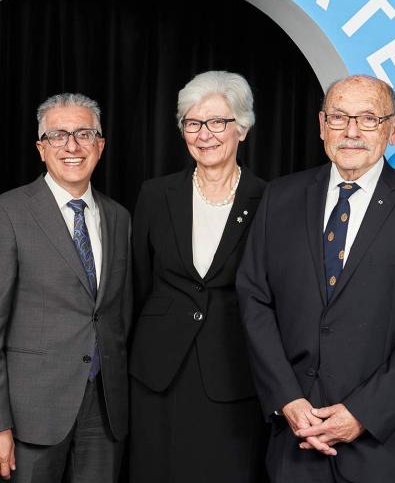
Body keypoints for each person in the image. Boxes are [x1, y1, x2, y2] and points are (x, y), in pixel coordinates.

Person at [236, 74, 395, 483]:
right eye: (339, 117)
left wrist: (362, 414)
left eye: (368, 119)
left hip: (385, 447)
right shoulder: (279, 198)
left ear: (394, 129)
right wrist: (286, 397)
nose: (352, 132)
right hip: (296, 440)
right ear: (322, 125)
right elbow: (255, 298)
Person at [0, 93, 132, 483]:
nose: (72, 146)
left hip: (105, 411)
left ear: (101, 145)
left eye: (83, 134)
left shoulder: (119, 217)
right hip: (29, 417)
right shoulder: (7, 213)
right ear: (41, 149)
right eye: (58, 135)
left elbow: (120, 315)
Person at [128, 71, 268, 482]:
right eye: (193, 122)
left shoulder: (270, 199)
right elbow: (137, 283)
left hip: (232, 373)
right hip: (158, 374)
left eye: (217, 122)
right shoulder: (155, 194)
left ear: (242, 128)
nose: (204, 134)